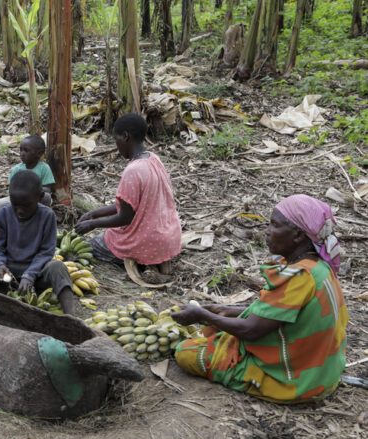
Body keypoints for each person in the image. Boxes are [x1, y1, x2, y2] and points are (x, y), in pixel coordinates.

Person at [171, 195, 348, 404]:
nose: (267, 231)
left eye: (274, 225)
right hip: (324, 372)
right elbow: (280, 313)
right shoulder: (317, 266)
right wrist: (224, 310)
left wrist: (202, 314)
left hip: (298, 382)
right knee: (212, 329)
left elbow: (252, 331)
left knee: (186, 352)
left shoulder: (299, 276)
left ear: (298, 235)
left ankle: (265, 379)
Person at [75, 113, 181, 279]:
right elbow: (132, 204)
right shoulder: (154, 159)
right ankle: (155, 261)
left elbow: (125, 217)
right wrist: (95, 213)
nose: (115, 144)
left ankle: (143, 261)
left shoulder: (133, 171)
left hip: (147, 240)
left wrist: (93, 224)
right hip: (168, 237)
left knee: (91, 245)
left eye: (115, 138)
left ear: (125, 137)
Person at [0, 171, 76, 316]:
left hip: (37, 273)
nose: (20, 210)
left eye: (26, 205)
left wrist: (30, 275)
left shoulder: (47, 216)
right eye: (15, 205)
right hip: (8, 272)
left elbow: (46, 252)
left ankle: (71, 316)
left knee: (58, 267)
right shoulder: (4, 215)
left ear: (40, 197)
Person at [0, 135, 54, 209]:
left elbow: (47, 189)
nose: (22, 154)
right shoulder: (17, 169)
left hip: (36, 199)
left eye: (26, 150)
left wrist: (33, 189)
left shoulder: (44, 168)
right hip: (19, 199)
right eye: (21, 150)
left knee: (47, 197)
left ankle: (42, 215)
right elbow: (11, 188)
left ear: (39, 153)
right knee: (0, 203)